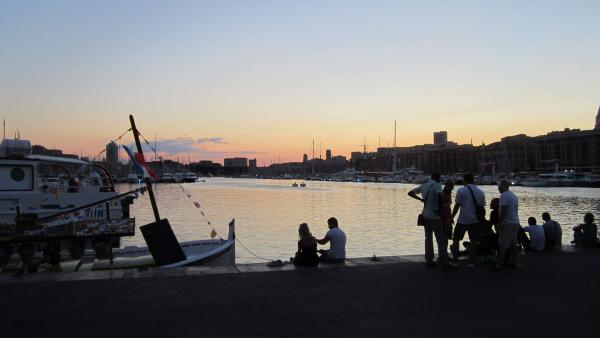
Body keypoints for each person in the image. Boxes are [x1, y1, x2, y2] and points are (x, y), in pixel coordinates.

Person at [408, 173, 453, 269]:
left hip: (425, 215)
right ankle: (443, 261)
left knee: (428, 238)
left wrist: (421, 199)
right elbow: (440, 196)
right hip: (435, 216)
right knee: (440, 239)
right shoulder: (437, 185)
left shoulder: (424, 185)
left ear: (431, 177)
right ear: (438, 178)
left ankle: (429, 260)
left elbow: (410, 193)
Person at [450, 173, 486, 267]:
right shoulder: (480, 192)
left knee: (456, 239)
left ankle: (454, 261)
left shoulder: (461, 191)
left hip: (462, 220)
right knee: (473, 241)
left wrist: (451, 217)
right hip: (475, 221)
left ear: (464, 180)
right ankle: (471, 262)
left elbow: (456, 206)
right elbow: (482, 208)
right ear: (473, 179)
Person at [495, 180, 520, 271]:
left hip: (508, 223)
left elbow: (503, 211)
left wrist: (500, 223)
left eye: (499, 186)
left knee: (503, 245)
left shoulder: (504, 196)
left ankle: (499, 264)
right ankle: (513, 262)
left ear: (503, 186)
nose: (498, 188)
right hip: (515, 222)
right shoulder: (513, 196)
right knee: (513, 244)